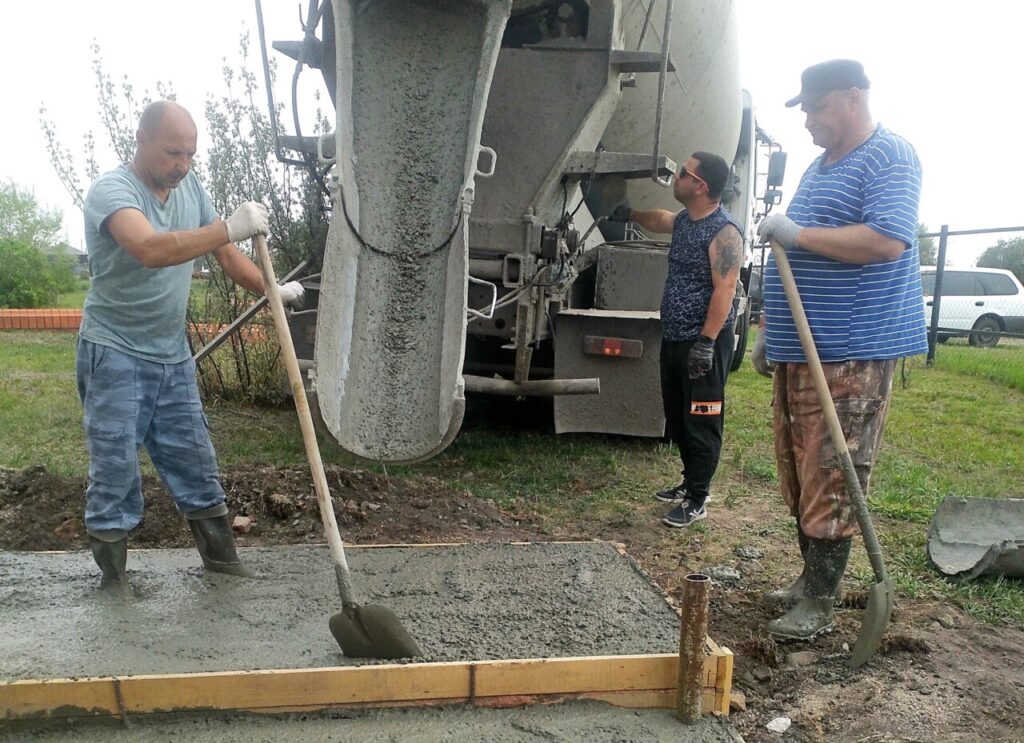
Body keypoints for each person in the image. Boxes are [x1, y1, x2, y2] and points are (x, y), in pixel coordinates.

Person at [79, 100, 304, 595]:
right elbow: (150, 249)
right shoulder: (113, 191)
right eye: (172, 152)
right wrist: (227, 227)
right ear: (141, 141)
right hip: (114, 352)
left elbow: (225, 252)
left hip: (171, 356)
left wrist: (270, 289)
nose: (183, 164)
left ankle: (223, 565)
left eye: (190, 154)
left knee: (196, 462)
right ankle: (114, 584)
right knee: (115, 470)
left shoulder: (191, 187)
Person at [755, 60, 927, 640]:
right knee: (800, 470)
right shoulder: (819, 166)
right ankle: (810, 579)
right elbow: (791, 258)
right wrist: (767, 329)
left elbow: (885, 241)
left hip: (850, 351)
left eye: (815, 107)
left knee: (833, 471)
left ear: (852, 98)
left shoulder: (889, 156)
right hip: (801, 347)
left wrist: (796, 234)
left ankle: (822, 600)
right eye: (803, 108)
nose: (806, 119)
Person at [610, 152, 743, 528]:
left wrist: (706, 342)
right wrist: (630, 214)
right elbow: (661, 219)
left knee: (703, 420)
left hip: (703, 342)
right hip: (675, 338)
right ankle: (689, 483)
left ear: (699, 185)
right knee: (679, 416)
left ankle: (698, 498)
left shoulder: (725, 231)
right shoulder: (687, 220)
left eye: (682, 173)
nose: (676, 177)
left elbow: (726, 289)